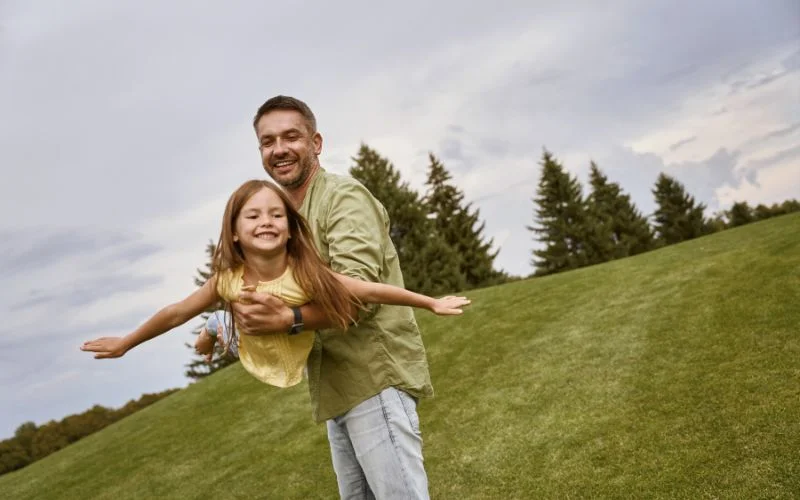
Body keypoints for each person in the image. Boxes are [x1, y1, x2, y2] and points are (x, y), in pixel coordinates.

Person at [230, 95, 438, 499]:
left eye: (291, 137)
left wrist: (288, 320)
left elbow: (358, 295)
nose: (279, 150)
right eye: (268, 142)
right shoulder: (286, 221)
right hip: (337, 389)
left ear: (316, 143)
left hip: (373, 378)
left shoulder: (343, 198)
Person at [81, 180, 469, 391]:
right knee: (235, 316)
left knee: (247, 314)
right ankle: (218, 325)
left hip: (283, 343)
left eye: (275, 214)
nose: (265, 221)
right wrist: (126, 343)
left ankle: (221, 323)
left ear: (288, 229)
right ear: (234, 233)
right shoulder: (226, 279)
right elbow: (176, 313)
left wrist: (430, 302)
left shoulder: (306, 274)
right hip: (249, 341)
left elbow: (370, 291)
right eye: (252, 216)